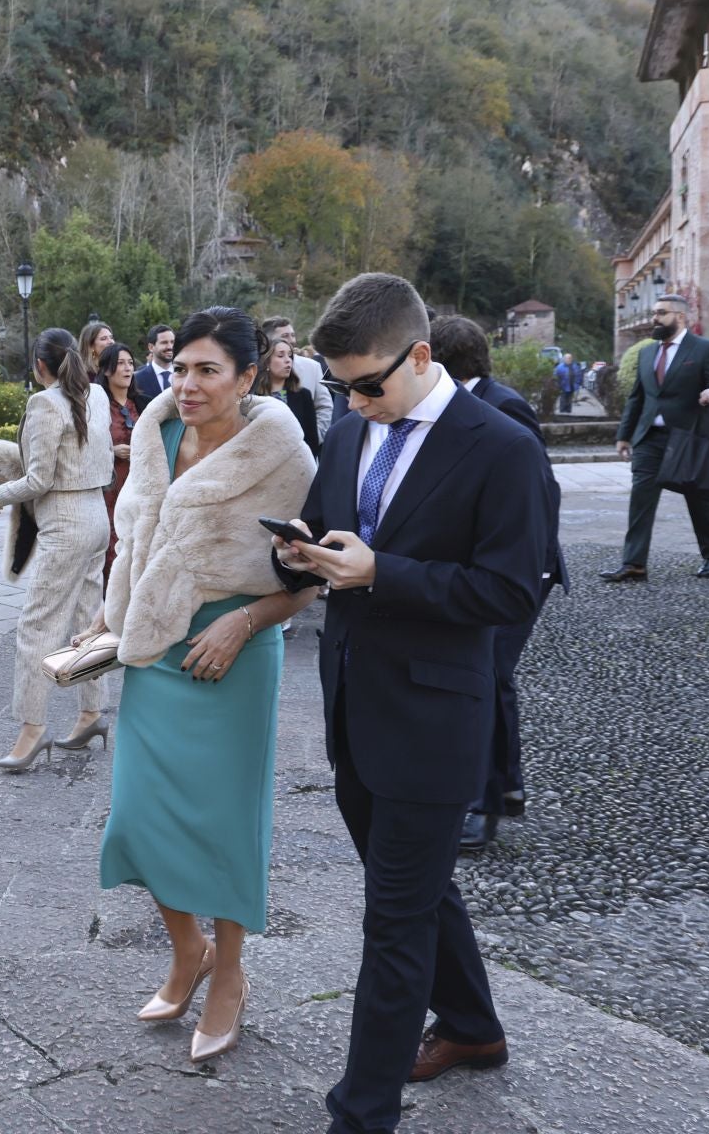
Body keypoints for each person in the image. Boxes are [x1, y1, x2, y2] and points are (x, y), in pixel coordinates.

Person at [270, 274, 548, 1134]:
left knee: (392, 921)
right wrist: (300, 559)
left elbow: (510, 593)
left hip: (435, 720)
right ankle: (472, 1027)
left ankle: (361, 1115)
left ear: (421, 356)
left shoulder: (501, 448)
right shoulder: (351, 433)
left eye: (367, 383)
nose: (352, 400)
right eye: (339, 386)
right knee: (418, 892)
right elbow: (323, 527)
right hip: (354, 707)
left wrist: (382, 573)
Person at [87, 309, 317, 1063]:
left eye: (207, 370)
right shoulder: (157, 433)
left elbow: (310, 580)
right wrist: (110, 612)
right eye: (181, 367)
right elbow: (136, 545)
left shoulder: (286, 456)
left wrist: (245, 622)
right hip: (154, 647)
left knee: (222, 824)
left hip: (232, 654)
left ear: (249, 377)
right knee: (137, 817)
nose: (186, 384)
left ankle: (232, 973)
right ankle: (188, 951)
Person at [429, 316, 568, 851]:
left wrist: (528, 568)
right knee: (495, 677)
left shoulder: (502, 405)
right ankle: (507, 786)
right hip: (487, 569)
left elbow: (541, 494)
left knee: (483, 678)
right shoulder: (461, 402)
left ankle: (481, 803)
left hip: (517, 573)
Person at [0, 328, 113, 770]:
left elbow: (38, 480)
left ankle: (32, 729)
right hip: (98, 516)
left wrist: (0, 494)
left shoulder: (44, 402)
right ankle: (91, 712)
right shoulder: (95, 394)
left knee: (36, 629)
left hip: (64, 520)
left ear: (39, 365)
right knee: (87, 620)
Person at [603, 293, 709, 583]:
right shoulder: (647, 351)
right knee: (640, 501)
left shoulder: (705, 349)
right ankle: (634, 564)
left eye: (661, 312)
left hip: (689, 437)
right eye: (654, 312)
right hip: (649, 438)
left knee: (700, 501)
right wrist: (625, 435)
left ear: (680, 317)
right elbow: (637, 397)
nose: (654, 318)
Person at [93, 342, 146, 586]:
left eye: (130, 363)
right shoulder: (96, 405)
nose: (127, 369)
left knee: (137, 542)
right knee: (112, 546)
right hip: (109, 488)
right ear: (106, 370)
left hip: (138, 485)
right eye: (120, 364)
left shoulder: (142, 404)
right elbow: (87, 446)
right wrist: (111, 451)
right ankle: (109, 606)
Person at [261, 316, 335, 441]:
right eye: (285, 336)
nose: (292, 340)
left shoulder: (312, 367)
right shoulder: (253, 383)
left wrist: (314, 436)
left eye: (292, 335)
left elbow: (325, 406)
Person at [254, 336, 322, 457]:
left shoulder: (303, 395)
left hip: (298, 466)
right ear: (267, 361)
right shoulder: (252, 396)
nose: (288, 360)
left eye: (290, 355)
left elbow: (312, 440)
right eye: (281, 356)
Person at [132, 324, 174, 404]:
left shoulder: (186, 374)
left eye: (172, 342)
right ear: (151, 347)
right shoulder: (137, 379)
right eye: (164, 342)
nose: (170, 347)